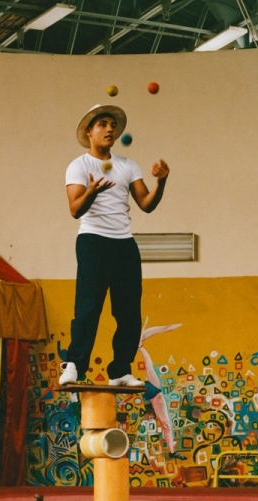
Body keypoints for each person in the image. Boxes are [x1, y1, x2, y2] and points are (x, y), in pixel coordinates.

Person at [59, 104, 170, 387]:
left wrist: (162, 181)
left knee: (129, 312)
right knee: (88, 308)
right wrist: (92, 192)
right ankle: (74, 365)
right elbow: (74, 209)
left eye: (112, 125)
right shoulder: (79, 165)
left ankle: (120, 370)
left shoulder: (128, 165)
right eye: (102, 124)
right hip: (93, 241)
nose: (109, 129)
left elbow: (146, 204)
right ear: (89, 132)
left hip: (124, 244)